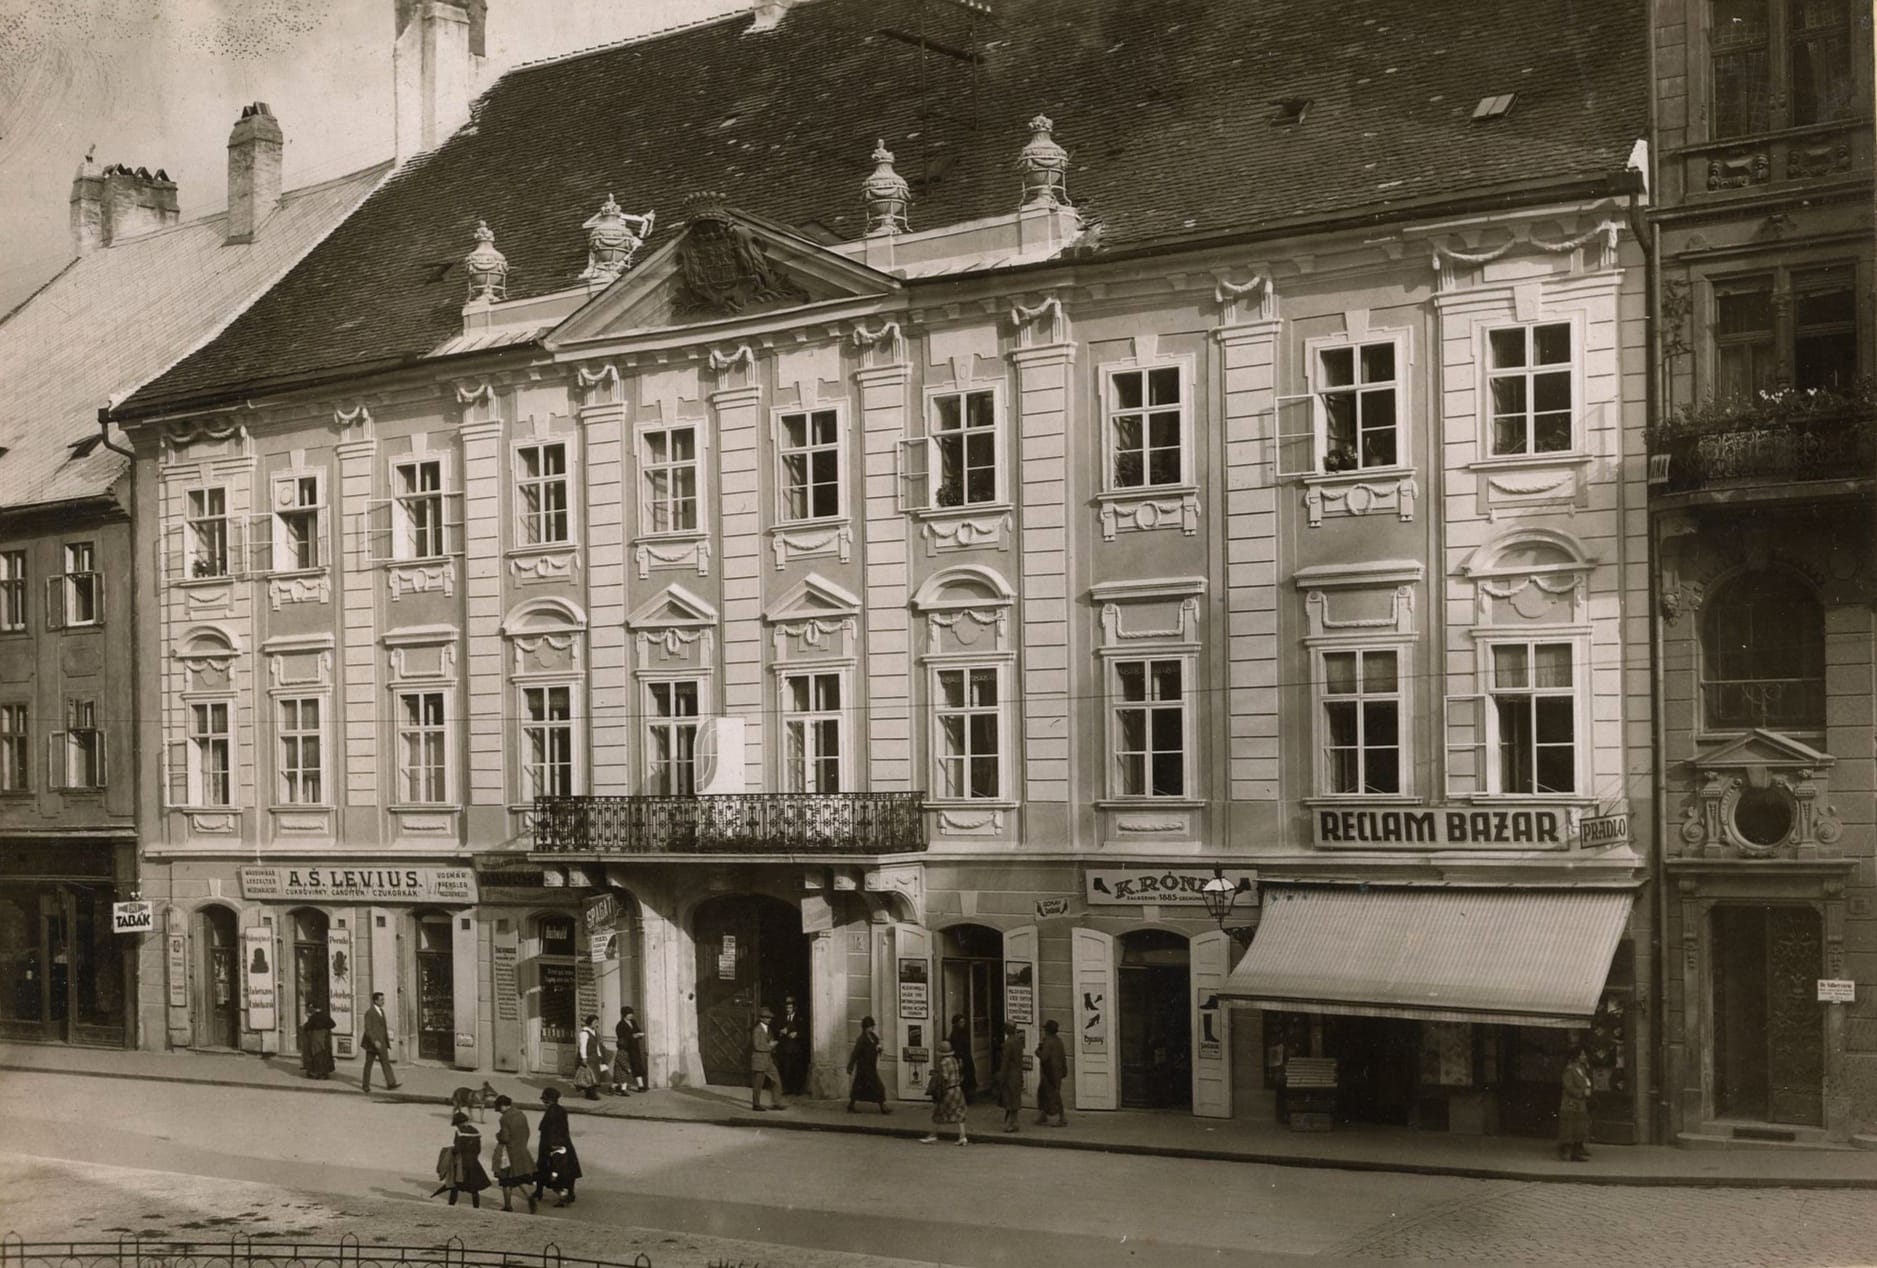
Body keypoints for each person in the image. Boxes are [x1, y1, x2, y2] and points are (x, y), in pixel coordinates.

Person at [532, 1087, 583, 1207]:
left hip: (551, 1145)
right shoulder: (562, 1110)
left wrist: (551, 1146)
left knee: (547, 1169)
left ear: (547, 1100)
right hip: (565, 1143)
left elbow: (549, 1130)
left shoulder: (550, 1112)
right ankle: (570, 1193)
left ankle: (545, 1193)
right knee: (568, 1170)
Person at [431, 1110, 492, 1207]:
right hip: (473, 1162)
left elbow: (457, 1149)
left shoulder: (459, 1132)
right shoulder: (476, 1131)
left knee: (454, 1185)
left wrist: (451, 1151)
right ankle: (476, 1207)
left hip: (461, 1163)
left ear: (459, 1123)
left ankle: (451, 1205)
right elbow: (478, 1149)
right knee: (474, 1188)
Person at [492, 1094, 537, 1212]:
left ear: (502, 1106)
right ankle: (530, 1197)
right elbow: (527, 1132)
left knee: (505, 1180)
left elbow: (505, 1137)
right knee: (519, 1179)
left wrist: (498, 1136)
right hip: (521, 1149)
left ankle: (507, 1205)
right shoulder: (520, 1114)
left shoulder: (505, 1118)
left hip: (508, 1152)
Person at [921, 1038, 968, 1146]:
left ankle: (933, 1135)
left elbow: (944, 1078)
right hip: (957, 1089)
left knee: (938, 1113)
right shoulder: (954, 1060)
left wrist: (935, 1075)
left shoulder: (943, 1062)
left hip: (948, 1091)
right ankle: (963, 1136)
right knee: (959, 1114)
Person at [845, 1015, 890, 1114]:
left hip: (870, 1067)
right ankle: (883, 1107)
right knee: (877, 1087)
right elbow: (855, 1053)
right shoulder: (861, 1039)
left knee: (860, 1087)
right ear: (865, 1027)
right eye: (870, 1026)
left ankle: (851, 1105)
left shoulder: (873, 1036)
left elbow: (877, 1045)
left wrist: (879, 1049)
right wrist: (850, 1067)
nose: (872, 1028)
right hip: (863, 1068)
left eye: (872, 1026)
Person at [1558, 1046, 1593, 1162]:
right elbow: (1568, 1086)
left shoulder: (1581, 1068)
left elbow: (1585, 1081)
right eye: (1582, 1055)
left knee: (1579, 1127)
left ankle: (1577, 1150)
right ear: (1576, 1057)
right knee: (1570, 1127)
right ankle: (1568, 1152)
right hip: (1571, 1103)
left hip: (1580, 1103)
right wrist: (1582, 1092)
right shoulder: (1570, 1069)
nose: (1584, 1057)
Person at [361, 991, 399, 1093]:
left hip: (382, 1042)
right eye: (381, 999)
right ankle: (365, 1085)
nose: (383, 1001)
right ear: (375, 1000)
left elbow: (382, 1028)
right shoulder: (369, 1013)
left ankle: (391, 1083)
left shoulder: (381, 1011)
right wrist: (374, 1041)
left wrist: (385, 1040)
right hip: (372, 1044)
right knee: (368, 1064)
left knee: (386, 1062)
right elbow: (368, 1029)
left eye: (383, 999)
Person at [749, 1006, 785, 1110]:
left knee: (777, 1080)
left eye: (769, 1018)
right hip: (759, 1060)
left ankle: (776, 1102)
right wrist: (770, 1046)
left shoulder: (768, 1029)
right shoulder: (757, 1030)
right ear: (761, 1018)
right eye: (766, 1017)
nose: (769, 1019)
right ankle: (756, 1104)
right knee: (758, 1084)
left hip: (768, 1060)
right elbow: (757, 1045)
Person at [1034, 1018, 1067, 1127]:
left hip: (1049, 1072)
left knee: (1051, 1094)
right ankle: (1043, 1115)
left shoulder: (1048, 1042)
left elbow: (1044, 1057)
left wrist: (1038, 1051)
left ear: (1047, 1031)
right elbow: (1063, 1057)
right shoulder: (1059, 1041)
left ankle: (1062, 1118)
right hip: (1057, 1071)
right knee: (1046, 1093)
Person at [993, 1021, 1025, 1133]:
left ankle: (1010, 1123)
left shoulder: (1009, 1043)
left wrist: (1001, 1075)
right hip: (1018, 1072)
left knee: (1009, 1098)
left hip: (1010, 1074)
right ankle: (1015, 1122)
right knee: (1015, 1097)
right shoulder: (1018, 1041)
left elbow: (1005, 1061)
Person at [775, 997, 807, 1096]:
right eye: (787, 1008)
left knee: (797, 1068)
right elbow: (777, 1028)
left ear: (794, 1008)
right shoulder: (782, 1017)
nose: (788, 1010)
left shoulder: (800, 1018)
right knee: (786, 1069)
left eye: (790, 1008)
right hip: (785, 1048)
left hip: (796, 1048)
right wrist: (781, 1031)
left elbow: (805, 1031)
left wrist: (796, 1034)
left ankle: (798, 1089)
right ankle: (787, 1089)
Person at [613, 1005, 645, 1095]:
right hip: (626, 1049)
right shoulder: (620, 1025)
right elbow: (621, 1038)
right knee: (625, 1068)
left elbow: (638, 1030)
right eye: (629, 1014)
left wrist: (639, 1034)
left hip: (635, 1048)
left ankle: (641, 1086)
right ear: (624, 1014)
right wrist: (632, 1036)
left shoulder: (633, 1022)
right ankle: (618, 1086)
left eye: (631, 1013)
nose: (631, 1015)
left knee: (637, 1065)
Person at [300, 1004, 336, 1080]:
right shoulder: (325, 1016)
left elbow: (307, 1027)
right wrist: (325, 1027)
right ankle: (325, 1073)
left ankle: (318, 1073)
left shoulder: (313, 1017)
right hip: (325, 1037)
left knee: (317, 1055)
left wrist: (306, 1027)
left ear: (314, 1009)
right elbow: (333, 1024)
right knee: (325, 1055)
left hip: (316, 1038)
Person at [946, 1013, 977, 1101]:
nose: (963, 1024)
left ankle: (968, 1097)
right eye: (961, 1022)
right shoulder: (955, 1035)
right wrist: (960, 1060)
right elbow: (957, 1048)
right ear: (956, 1023)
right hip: (961, 1059)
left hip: (966, 1058)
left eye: (964, 1022)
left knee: (968, 1077)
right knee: (963, 1078)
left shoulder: (963, 1033)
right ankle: (964, 1098)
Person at [574, 1014, 604, 1101]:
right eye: (595, 1022)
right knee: (590, 1076)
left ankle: (589, 1093)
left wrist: (599, 1055)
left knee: (594, 1075)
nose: (597, 1024)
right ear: (590, 1023)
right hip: (588, 1057)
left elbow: (597, 1045)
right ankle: (591, 1094)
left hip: (594, 1057)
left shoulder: (594, 1032)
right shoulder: (584, 1033)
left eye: (597, 1022)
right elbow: (583, 1046)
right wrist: (584, 1057)